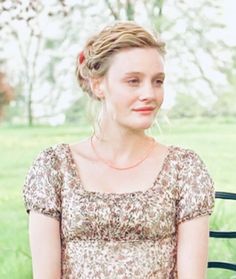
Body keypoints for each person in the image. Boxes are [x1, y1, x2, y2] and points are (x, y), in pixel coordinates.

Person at [22, 21, 215, 279]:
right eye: (133, 81)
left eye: (157, 81)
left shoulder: (184, 168)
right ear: (98, 85)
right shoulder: (54, 167)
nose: (149, 93)